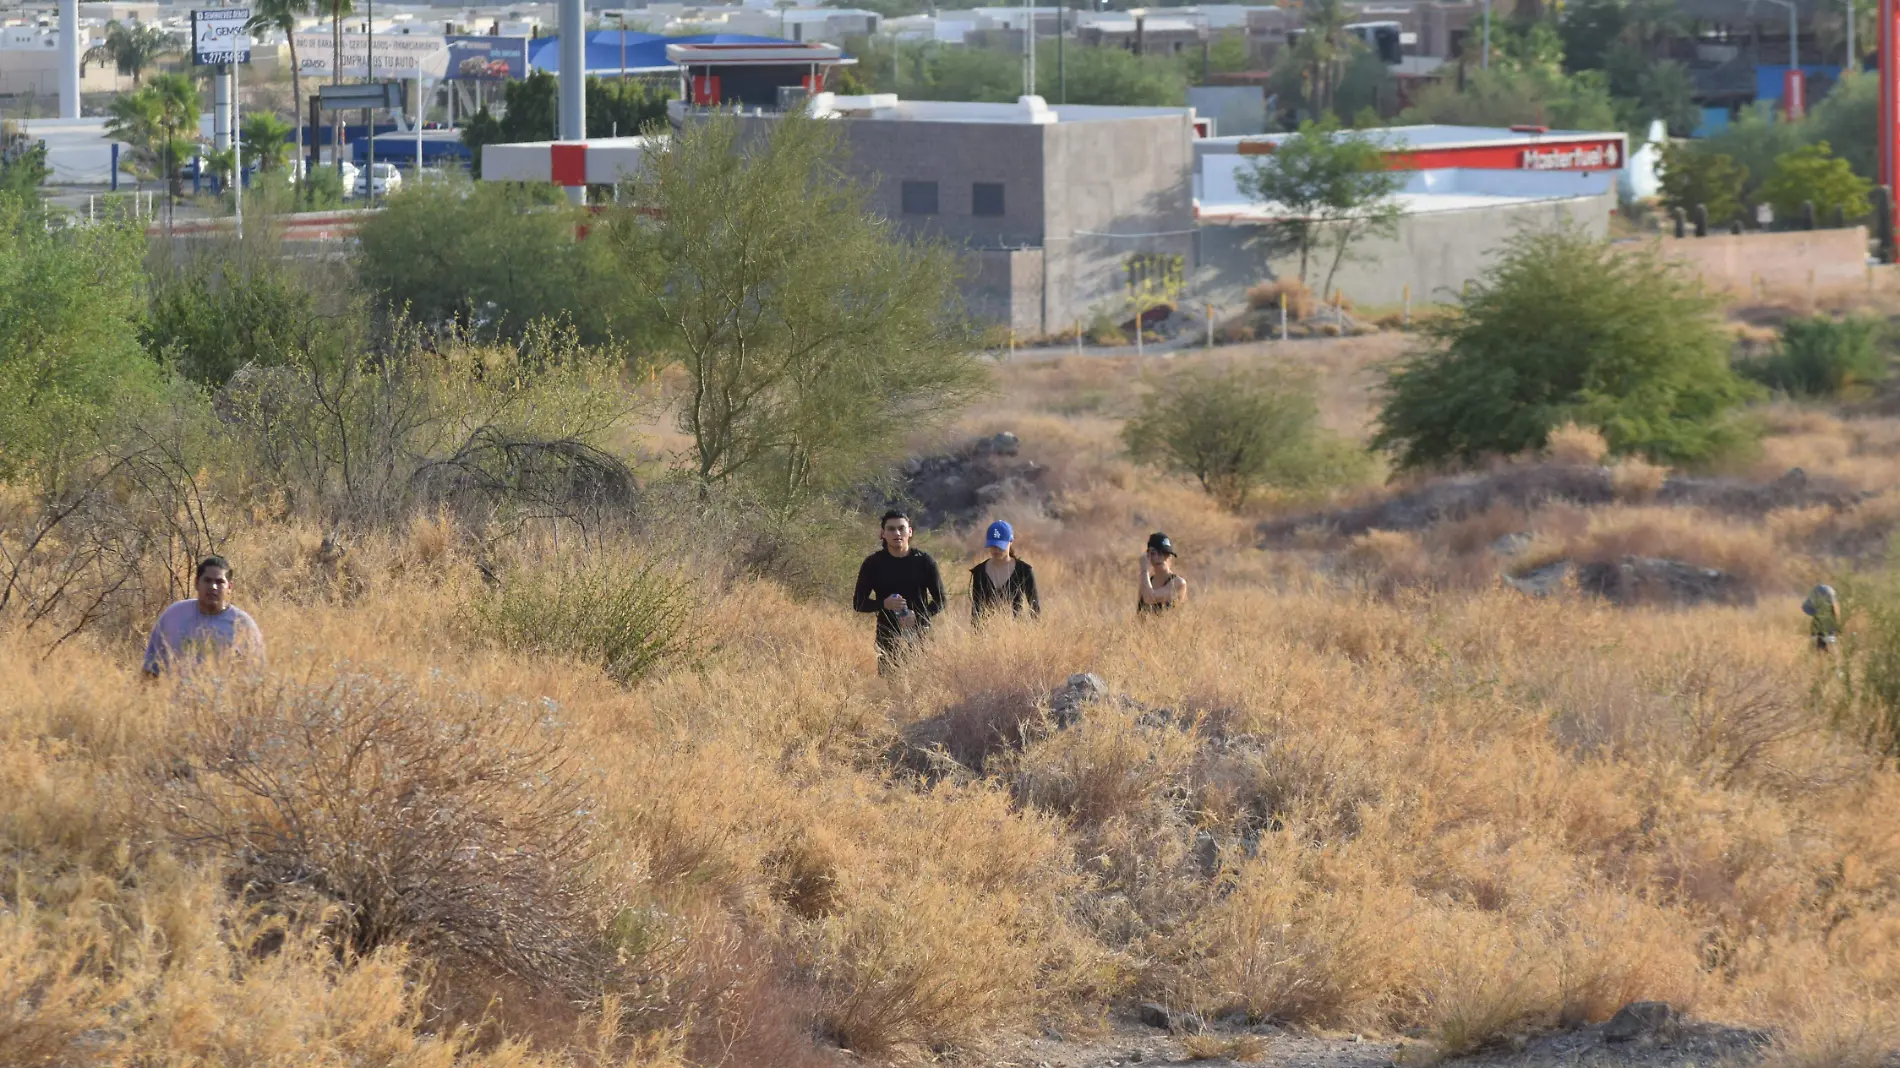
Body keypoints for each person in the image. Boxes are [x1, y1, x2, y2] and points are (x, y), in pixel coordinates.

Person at [853, 510, 946, 673]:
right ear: (882, 534)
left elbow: (941, 601)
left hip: (919, 633)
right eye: (891, 529)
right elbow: (859, 603)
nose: (897, 533)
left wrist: (918, 615)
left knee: (921, 682)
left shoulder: (924, 561)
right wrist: (883, 604)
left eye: (901, 528)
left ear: (910, 532)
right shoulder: (873, 563)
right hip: (887, 635)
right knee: (891, 686)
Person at [143, 555, 265, 677]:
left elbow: (256, 676)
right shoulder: (173, 616)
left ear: (229, 587)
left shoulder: (243, 625)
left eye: (220, 582)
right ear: (196, 583)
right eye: (207, 580)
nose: (213, 587)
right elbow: (150, 670)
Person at [970, 519, 1040, 624]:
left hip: (1016, 632)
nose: (996, 550)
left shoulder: (1024, 571)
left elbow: (1034, 608)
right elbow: (976, 610)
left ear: (1010, 542)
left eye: (1000, 546)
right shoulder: (979, 572)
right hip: (987, 633)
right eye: (993, 546)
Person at [1137, 532, 1187, 615]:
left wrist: (1144, 569)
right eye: (1153, 553)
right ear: (1148, 556)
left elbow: (1150, 598)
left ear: (1170, 557)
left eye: (1164, 553)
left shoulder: (1178, 583)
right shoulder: (1147, 582)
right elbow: (1139, 615)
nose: (1159, 557)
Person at [1803, 583, 1841, 652]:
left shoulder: (1815, 600)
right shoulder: (1830, 598)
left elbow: (1806, 608)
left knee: (1818, 651)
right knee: (1832, 652)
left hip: (1817, 630)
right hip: (1828, 630)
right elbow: (1836, 612)